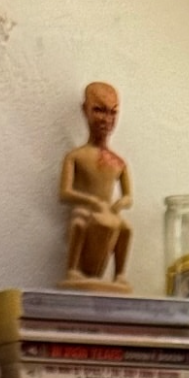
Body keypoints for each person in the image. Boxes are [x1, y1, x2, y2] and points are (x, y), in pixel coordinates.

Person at [58, 83, 133, 289]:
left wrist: (119, 204)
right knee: (79, 222)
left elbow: (128, 196)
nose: (106, 120)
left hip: (107, 212)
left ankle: (119, 275)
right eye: (99, 110)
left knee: (125, 227)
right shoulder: (75, 156)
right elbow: (64, 193)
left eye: (112, 112)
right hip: (86, 210)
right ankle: (73, 270)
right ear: (85, 110)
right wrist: (90, 201)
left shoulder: (118, 162)